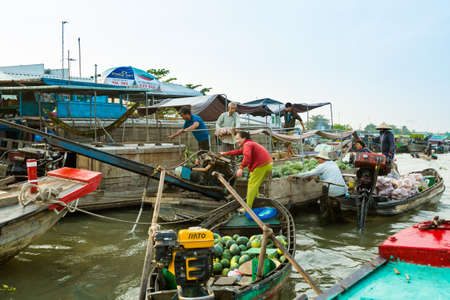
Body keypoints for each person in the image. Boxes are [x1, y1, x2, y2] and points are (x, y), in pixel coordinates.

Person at [220, 131, 273, 209]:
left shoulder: (247, 144)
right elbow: (239, 151)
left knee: (251, 186)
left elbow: (247, 157)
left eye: (238, 139)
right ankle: (255, 203)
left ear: (244, 138)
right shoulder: (249, 143)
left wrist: (241, 168)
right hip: (267, 164)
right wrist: (225, 153)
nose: (236, 141)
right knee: (255, 186)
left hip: (261, 165)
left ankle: (247, 208)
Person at [289, 151, 347, 221]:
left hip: (332, 189)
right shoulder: (333, 163)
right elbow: (325, 174)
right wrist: (315, 178)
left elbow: (309, 173)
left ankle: (325, 216)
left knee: (323, 198)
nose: (317, 160)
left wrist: (295, 175)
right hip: (343, 189)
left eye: (318, 158)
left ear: (323, 159)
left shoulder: (322, 166)